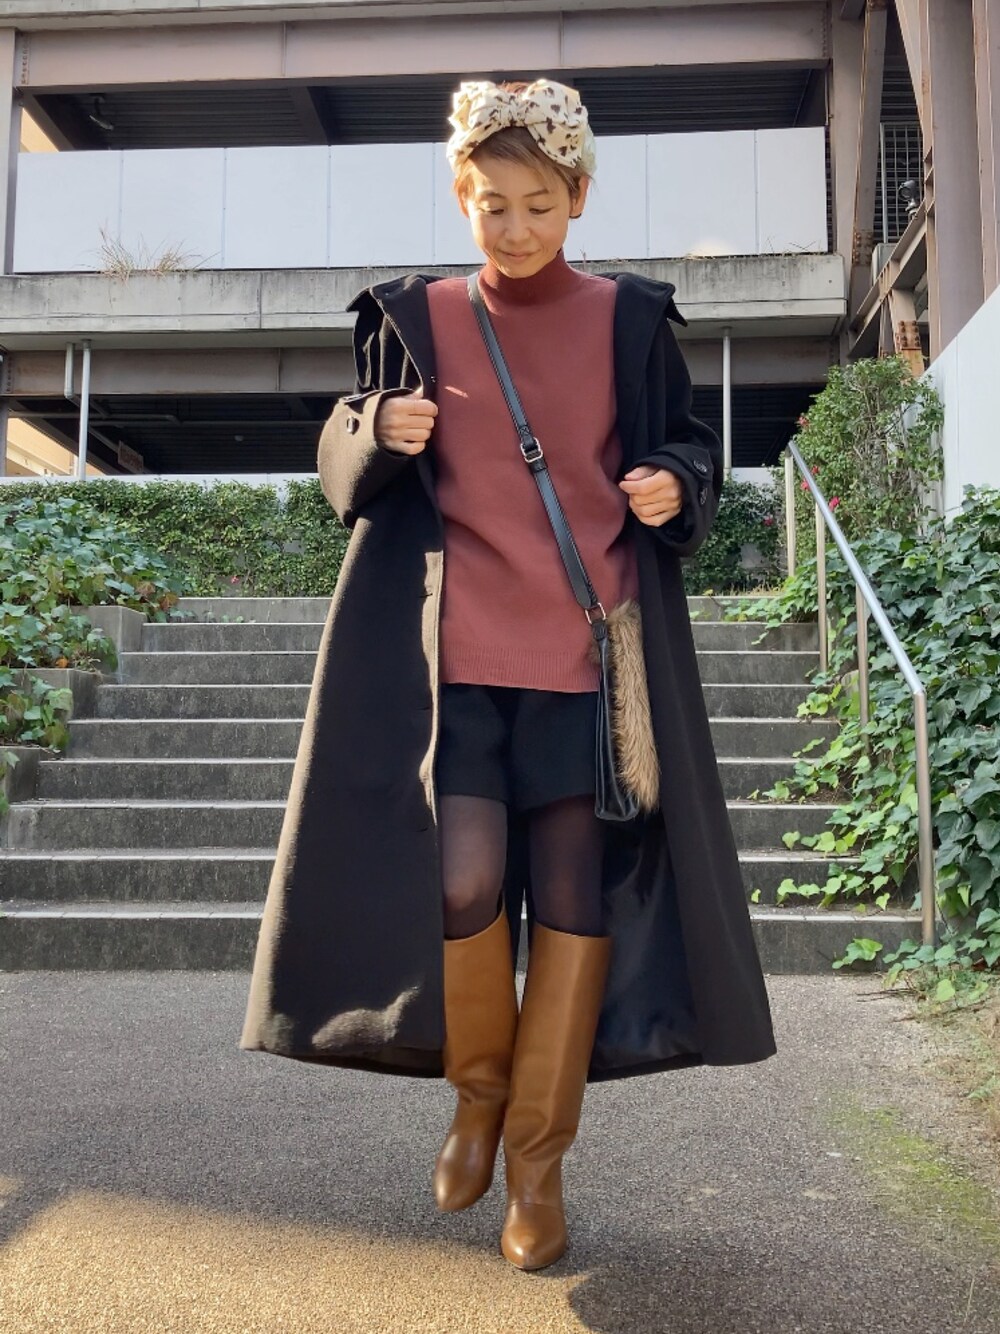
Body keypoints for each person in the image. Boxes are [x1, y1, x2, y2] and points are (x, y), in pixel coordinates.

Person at [241, 77, 776, 1272]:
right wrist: (376, 431)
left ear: (578, 197)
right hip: (452, 661)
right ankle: (478, 1095)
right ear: (460, 196)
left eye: (539, 203)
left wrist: (675, 483)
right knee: (463, 880)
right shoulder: (415, 315)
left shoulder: (631, 319)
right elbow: (339, 447)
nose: (517, 226)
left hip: (586, 660)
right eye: (493, 204)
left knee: (577, 900)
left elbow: (690, 445)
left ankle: (537, 1157)